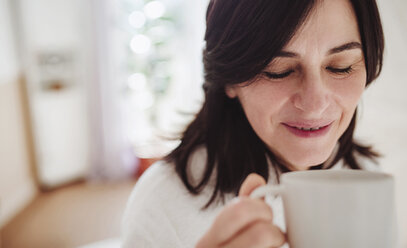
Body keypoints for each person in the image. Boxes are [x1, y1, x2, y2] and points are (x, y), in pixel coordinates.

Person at [122, 0, 384, 247]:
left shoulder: (364, 173)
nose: (315, 104)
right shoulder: (165, 203)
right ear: (230, 79)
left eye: (341, 67)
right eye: (278, 71)